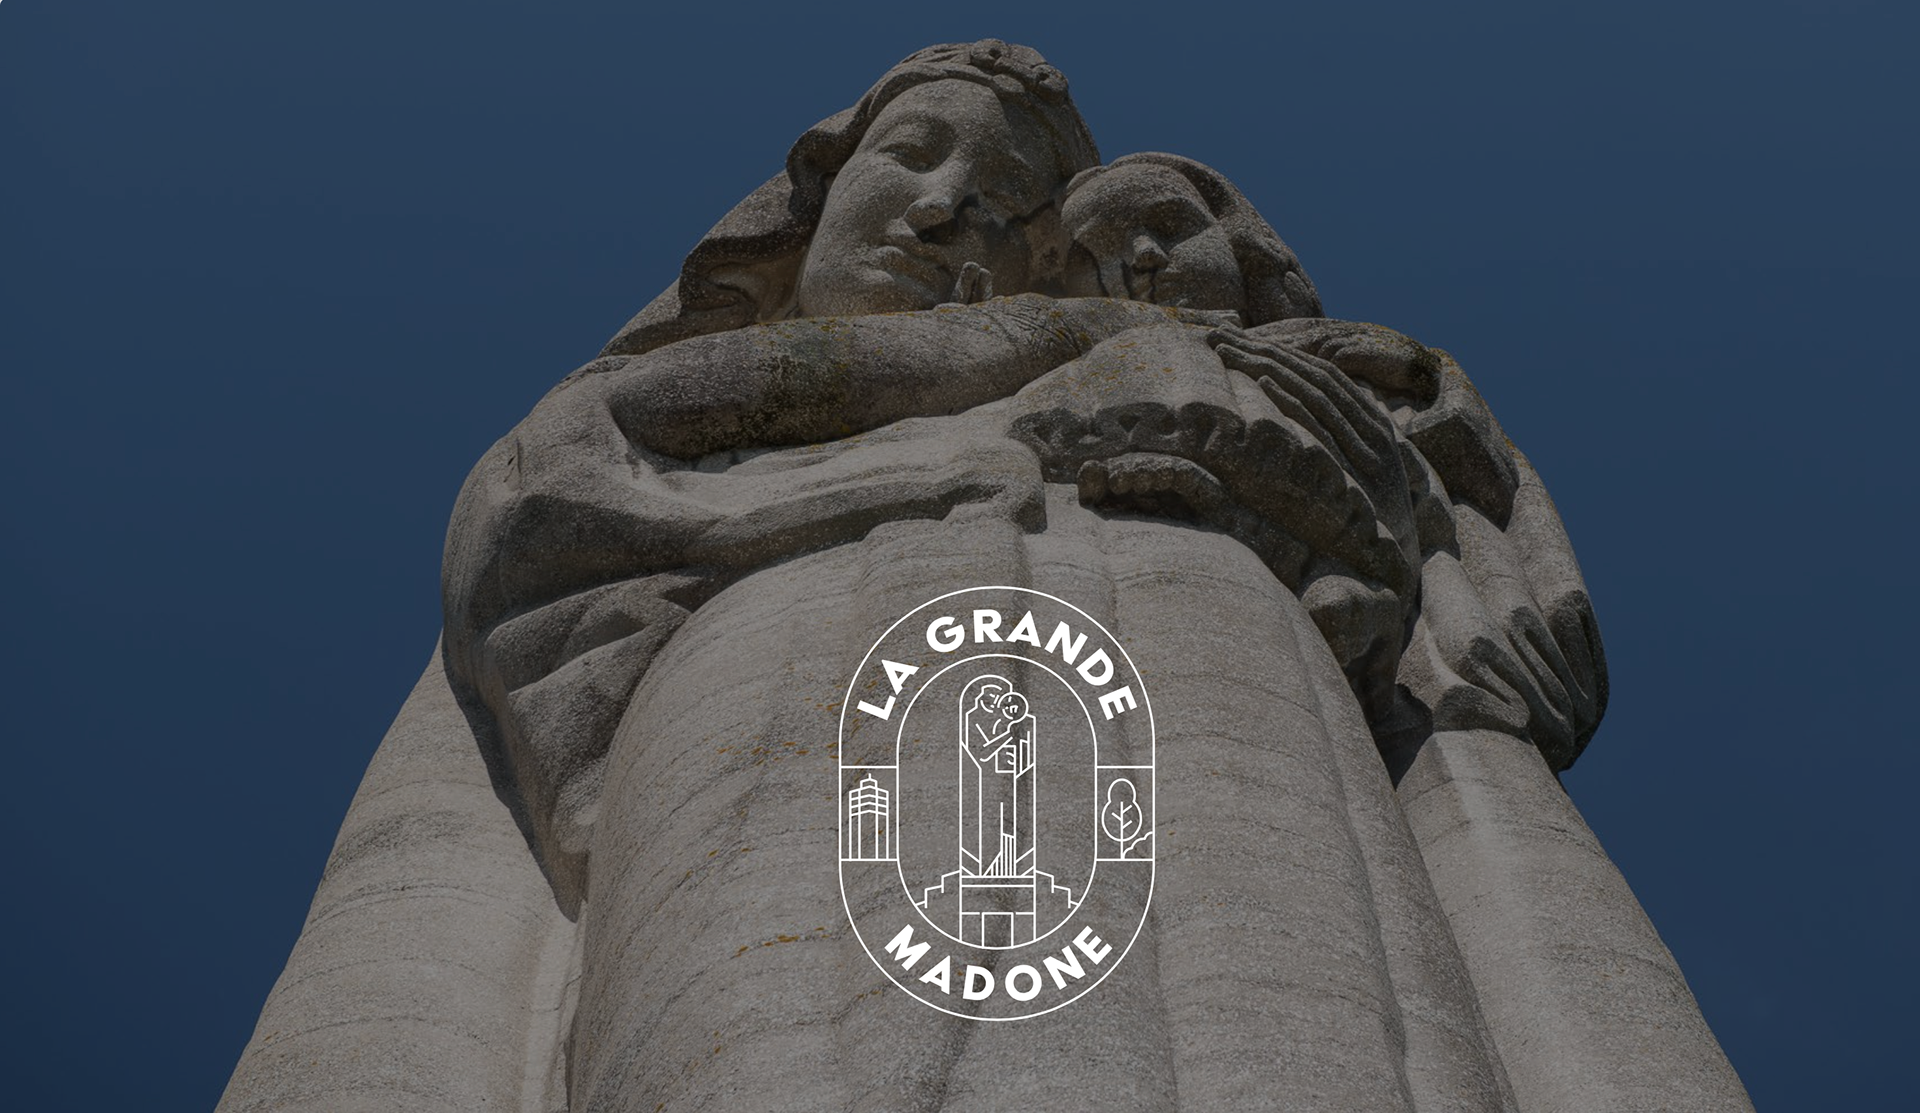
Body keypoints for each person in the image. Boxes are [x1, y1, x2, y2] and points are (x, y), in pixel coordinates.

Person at [220, 41, 1753, 1113]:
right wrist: (1070, 354)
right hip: (784, 715)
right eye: (916, 155)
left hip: (1230, 726)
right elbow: (547, 497)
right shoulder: (630, 429)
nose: (955, 207)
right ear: (802, 206)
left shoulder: (1221, 405)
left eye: (1014, 207)